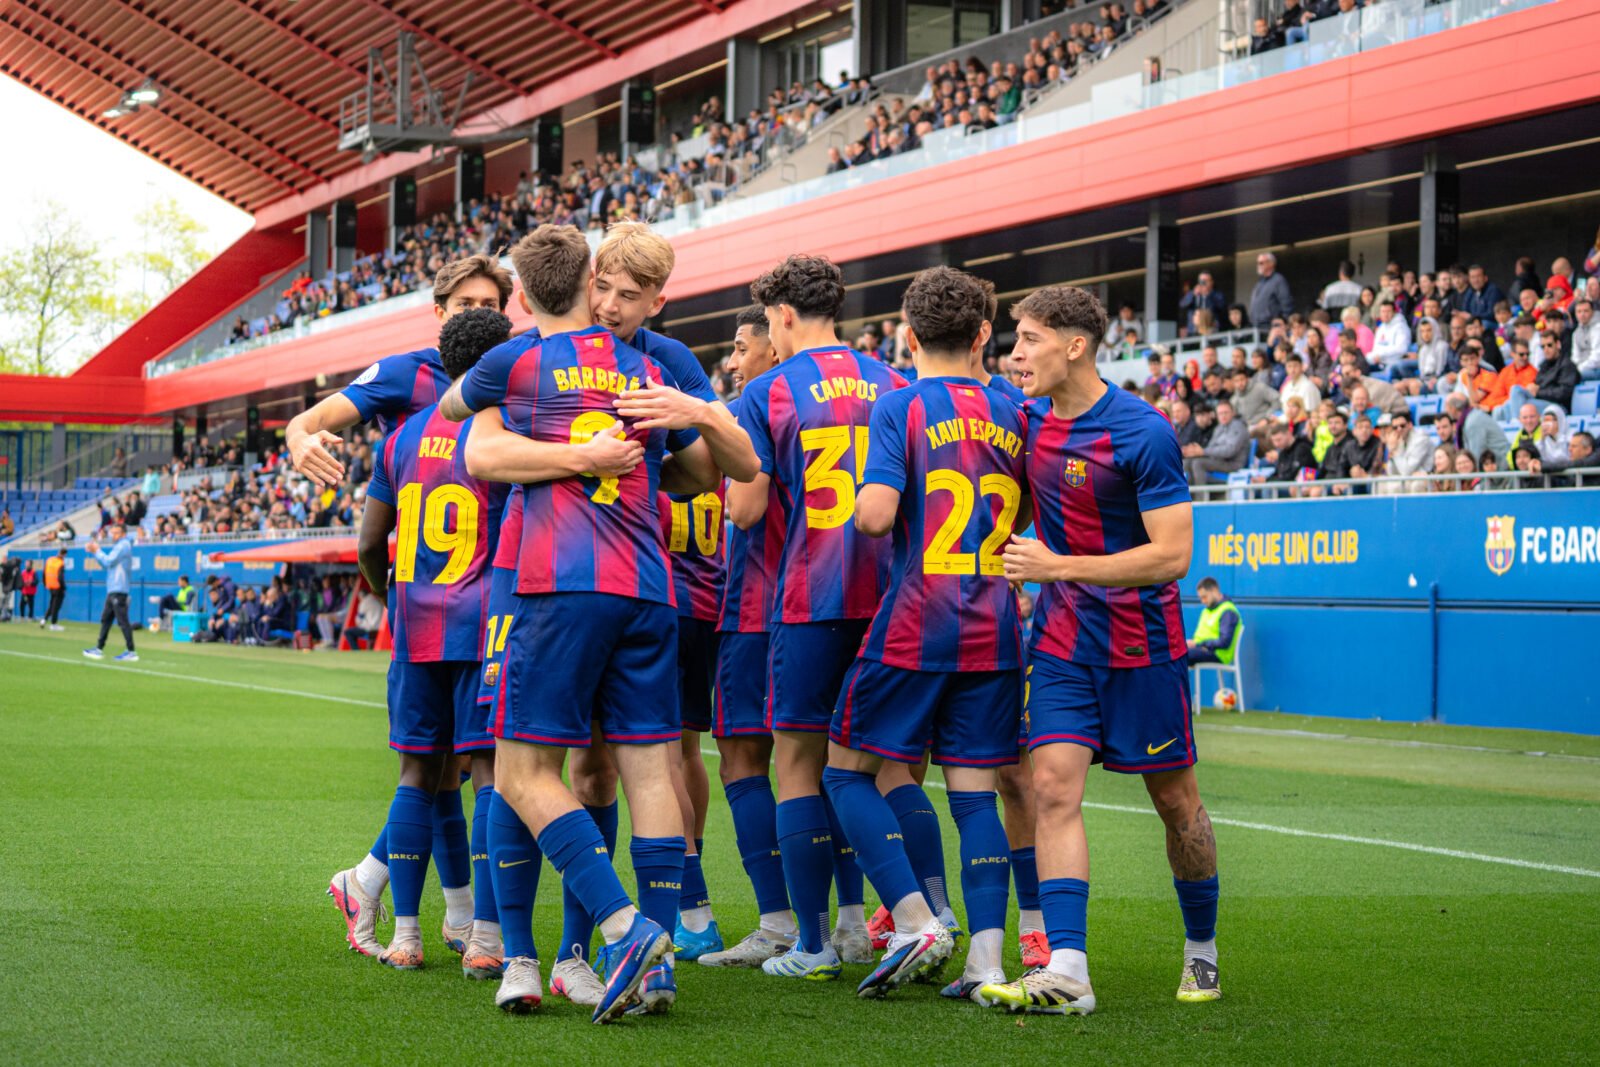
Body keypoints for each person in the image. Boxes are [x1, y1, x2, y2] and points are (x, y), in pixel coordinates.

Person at [441, 221, 756, 1007]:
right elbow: (699, 472)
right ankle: (536, 952)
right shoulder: (646, 366)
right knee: (621, 768)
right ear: (587, 281)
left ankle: (617, 936)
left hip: (553, 580)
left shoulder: (533, 360)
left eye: (627, 293)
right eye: (604, 287)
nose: (612, 304)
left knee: (525, 768)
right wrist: (625, 444)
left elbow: (470, 438)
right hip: (639, 583)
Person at [989, 285, 1220, 1015]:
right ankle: (1069, 967)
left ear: (1076, 345)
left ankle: (1202, 950)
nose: (1015, 354)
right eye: (1012, 340)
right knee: (1051, 787)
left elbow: (1172, 555)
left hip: (1142, 647)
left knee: (1177, 804)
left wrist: (1056, 566)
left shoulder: (1142, 431)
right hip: (1059, 642)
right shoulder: (1026, 420)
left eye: (1028, 339)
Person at [824, 266, 1025, 1000]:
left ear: (907, 335)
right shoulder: (1014, 412)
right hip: (994, 628)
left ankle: (913, 917)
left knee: (843, 770)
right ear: (982, 335)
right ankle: (988, 963)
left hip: (916, 619)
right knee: (975, 796)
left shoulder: (900, 406)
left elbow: (876, 515)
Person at [728, 253, 909, 982]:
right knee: (873, 765)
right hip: (891, 597)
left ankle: (810, 943)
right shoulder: (895, 381)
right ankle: (869, 921)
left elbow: (743, 509)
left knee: (799, 762)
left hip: (808, 594)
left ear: (783, 316)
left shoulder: (769, 388)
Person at [344, 308, 511, 980]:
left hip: (415, 622)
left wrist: (390, 596)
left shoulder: (403, 436)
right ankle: (486, 937)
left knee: (417, 776)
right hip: (484, 625)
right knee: (490, 778)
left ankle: (407, 935)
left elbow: (366, 543)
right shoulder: (504, 431)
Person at [696, 305, 800, 969]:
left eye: (740, 346)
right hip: (837, 598)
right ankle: (848, 920)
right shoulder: (869, 387)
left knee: (743, 759)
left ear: (775, 336)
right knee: (827, 763)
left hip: (761, 602)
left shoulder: (757, 402)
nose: (734, 361)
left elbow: (743, 506)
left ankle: (780, 919)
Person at [285, 254, 515, 487]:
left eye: (489, 305)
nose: (477, 313)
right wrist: (298, 440)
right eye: (465, 304)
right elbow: (312, 419)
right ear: (440, 313)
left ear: (503, 314)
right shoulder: (404, 372)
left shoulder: (520, 375)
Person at [82, 524, 136, 662]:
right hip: (113, 589)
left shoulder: (123, 545)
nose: (113, 535)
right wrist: (96, 552)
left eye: (116, 532)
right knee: (106, 619)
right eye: (112, 533)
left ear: (123, 533)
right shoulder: (120, 545)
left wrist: (97, 550)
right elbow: (107, 563)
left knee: (123, 621)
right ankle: (99, 648)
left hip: (119, 589)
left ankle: (131, 651)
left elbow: (108, 561)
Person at [1183, 399, 1247, 485]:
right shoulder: (1219, 428)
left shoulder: (1238, 426)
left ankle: (1200, 497)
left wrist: (1203, 452)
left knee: (1198, 463)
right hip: (1219, 461)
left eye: (1226, 412)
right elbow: (1211, 447)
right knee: (1187, 462)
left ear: (1233, 413)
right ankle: (1189, 495)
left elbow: (1230, 451)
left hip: (1233, 464)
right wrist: (1196, 452)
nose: (1223, 416)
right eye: (1220, 413)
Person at [1187, 578, 1241, 666]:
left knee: (1181, 656)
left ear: (1215, 591)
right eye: (1201, 598)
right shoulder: (1206, 611)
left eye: (1205, 596)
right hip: (1202, 649)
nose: (1203, 601)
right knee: (1173, 653)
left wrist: (1200, 645)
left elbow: (1224, 642)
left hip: (1217, 653)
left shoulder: (1227, 611)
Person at [1248, 252, 1293, 327]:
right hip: (1257, 326)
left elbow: (1286, 302)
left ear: (1271, 263)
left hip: (1271, 326)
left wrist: (1284, 319)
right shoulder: (1259, 283)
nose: (1258, 265)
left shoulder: (1278, 280)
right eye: (1258, 263)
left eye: (1261, 263)